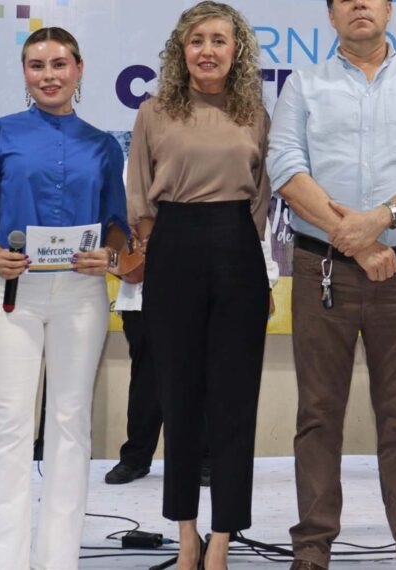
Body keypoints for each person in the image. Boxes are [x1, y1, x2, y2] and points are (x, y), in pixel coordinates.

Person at [267, 0, 396, 567]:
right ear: (330, 16)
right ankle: (311, 548)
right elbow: (284, 166)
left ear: (387, 9)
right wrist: (352, 237)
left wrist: (380, 221)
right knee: (318, 415)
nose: (360, 5)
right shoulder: (304, 82)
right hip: (320, 267)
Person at [0, 26, 128, 569]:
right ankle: (0, 561)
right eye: (37, 65)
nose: (48, 75)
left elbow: (118, 224)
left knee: (70, 423)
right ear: (24, 73)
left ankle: (60, 560)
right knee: (8, 422)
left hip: (82, 292)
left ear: (79, 70)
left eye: (59, 64)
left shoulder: (103, 145)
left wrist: (109, 253)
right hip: (14, 289)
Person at [126, 3, 271, 568]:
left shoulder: (254, 113)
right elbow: (139, 195)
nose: (207, 50)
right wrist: (159, 245)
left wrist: (235, 244)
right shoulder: (154, 111)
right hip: (173, 247)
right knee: (178, 396)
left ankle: (222, 539)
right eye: (197, 40)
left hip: (237, 249)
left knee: (234, 403)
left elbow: (261, 197)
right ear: (180, 49)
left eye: (219, 40)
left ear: (236, 51)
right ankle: (186, 534)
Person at [106, 219, 279, 487]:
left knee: (205, 378)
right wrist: (121, 263)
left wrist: (264, 283)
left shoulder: (226, 178)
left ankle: (206, 457)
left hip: (206, 288)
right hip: (144, 295)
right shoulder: (134, 177)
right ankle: (136, 457)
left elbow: (255, 228)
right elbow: (116, 220)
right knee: (146, 382)